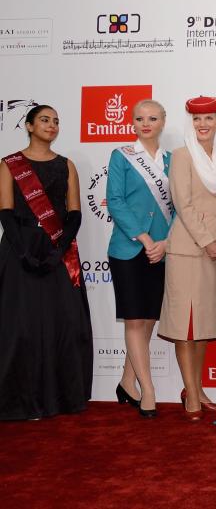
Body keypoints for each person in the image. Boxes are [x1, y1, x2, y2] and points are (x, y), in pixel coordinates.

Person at [0, 105, 92, 420]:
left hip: (58, 251)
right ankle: (19, 402)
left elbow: (75, 212)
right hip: (19, 248)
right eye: (44, 120)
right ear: (28, 125)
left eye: (55, 121)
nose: (51, 125)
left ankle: (59, 399)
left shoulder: (66, 165)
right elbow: (6, 213)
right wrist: (23, 250)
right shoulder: (10, 164)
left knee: (61, 324)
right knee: (20, 327)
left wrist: (60, 247)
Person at [158, 96, 216, 421]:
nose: (203, 125)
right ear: (192, 124)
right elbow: (183, 205)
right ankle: (190, 391)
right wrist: (208, 242)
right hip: (189, 251)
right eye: (198, 120)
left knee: (203, 324)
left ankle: (197, 388)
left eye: (209, 119)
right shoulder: (181, 156)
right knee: (184, 323)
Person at [107, 99, 174, 419]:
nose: (145, 123)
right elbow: (115, 201)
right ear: (131, 122)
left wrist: (165, 241)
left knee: (147, 319)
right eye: (139, 118)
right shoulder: (121, 156)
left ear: (163, 122)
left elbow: (181, 207)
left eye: (152, 118)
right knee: (134, 319)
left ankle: (126, 381)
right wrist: (145, 238)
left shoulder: (173, 161)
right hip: (128, 248)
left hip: (161, 250)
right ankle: (147, 390)